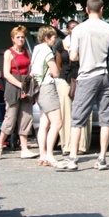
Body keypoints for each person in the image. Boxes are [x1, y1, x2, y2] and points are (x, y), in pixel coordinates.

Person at [55, 0, 109, 172]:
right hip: (106, 77)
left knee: (78, 118)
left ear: (86, 9)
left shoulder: (79, 30)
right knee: (106, 119)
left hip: (87, 76)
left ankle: (73, 158)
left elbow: (73, 56)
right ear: (102, 9)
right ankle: (102, 158)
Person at [0, 25, 38, 160]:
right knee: (10, 118)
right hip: (13, 86)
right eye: (18, 37)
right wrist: (20, 85)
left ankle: (24, 149)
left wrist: (30, 85)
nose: (21, 39)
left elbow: (30, 68)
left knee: (26, 117)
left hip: (26, 84)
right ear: (13, 39)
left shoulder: (26, 52)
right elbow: (6, 73)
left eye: (23, 37)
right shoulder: (9, 53)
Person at [55, 20, 92, 155]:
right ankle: (67, 145)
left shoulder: (85, 43)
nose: (74, 30)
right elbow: (58, 64)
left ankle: (82, 146)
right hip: (66, 79)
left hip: (83, 79)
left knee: (84, 111)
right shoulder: (61, 45)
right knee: (65, 112)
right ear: (68, 30)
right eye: (72, 28)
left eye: (77, 27)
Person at [31, 26, 62, 166]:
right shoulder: (47, 51)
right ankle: (50, 154)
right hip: (48, 87)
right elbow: (56, 72)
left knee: (44, 123)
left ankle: (42, 154)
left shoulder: (36, 49)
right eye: (54, 37)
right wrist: (53, 71)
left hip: (38, 87)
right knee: (57, 123)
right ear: (47, 37)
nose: (55, 40)